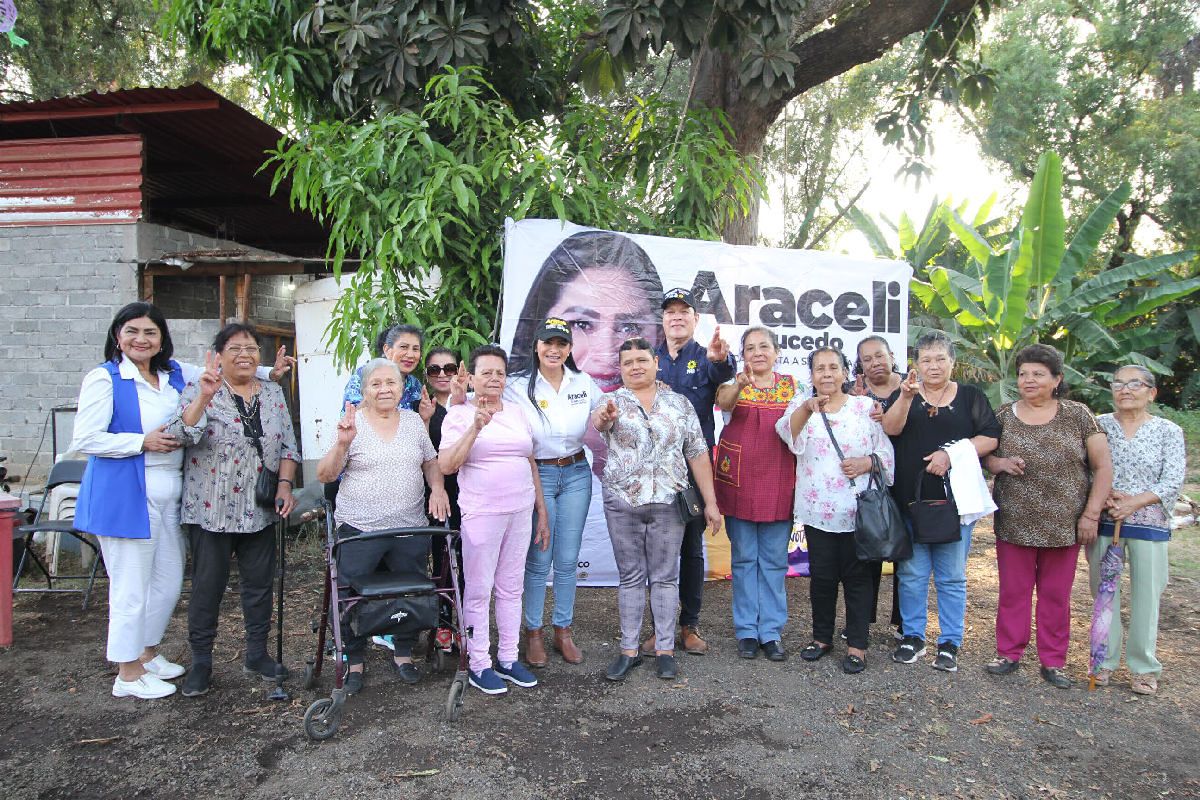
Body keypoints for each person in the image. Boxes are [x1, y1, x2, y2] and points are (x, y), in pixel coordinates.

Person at [71, 302, 292, 700]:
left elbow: (239, 373)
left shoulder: (172, 373)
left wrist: (268, 373)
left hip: (185, 497)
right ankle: (132, 670)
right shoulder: (106, 379)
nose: (141, 339)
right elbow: (88, 438)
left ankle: (148, 653)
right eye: (132, 331)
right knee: (136, 587)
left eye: (150, 332)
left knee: (168, 582)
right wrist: (141, 441)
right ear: (117, 335)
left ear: (162, 340)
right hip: (138, 493)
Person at [176, 322, 302, 698]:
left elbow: (288, 448)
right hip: (211, 510)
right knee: (207, 588)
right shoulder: (200, 390)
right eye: (234, 348)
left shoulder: (274, 393)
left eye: (250, 348)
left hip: (259, 509)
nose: (244, 355)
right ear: (218, 356)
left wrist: (284, 486)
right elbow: (182, 433)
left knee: (259, 586)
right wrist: (203, 396)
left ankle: (257, 654)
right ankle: (201, 662)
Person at [315, 359, 451, 694]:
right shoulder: (352, 423)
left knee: (408, 591)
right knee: (350, 595)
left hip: (409, 525)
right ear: (364, 392)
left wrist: (437, 488)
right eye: (375, 384)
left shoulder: (412, 422)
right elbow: (325, 475)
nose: (384, 389)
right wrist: (343, 443)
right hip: (361, 527)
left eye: (390, 382)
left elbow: (430, 461)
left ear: (401, 387)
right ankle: (354, 657)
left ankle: (404, 653)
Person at [593, 337, 722, 682]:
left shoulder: (679, 404)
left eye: (642, 360)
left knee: (665, 577)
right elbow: (599, 424)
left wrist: (710, 502)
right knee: (631, 576)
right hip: (623, 501)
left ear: (656, 363)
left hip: (669, 502)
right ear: (620, 369)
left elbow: (696, 452)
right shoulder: (611, 402)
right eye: (627, 362)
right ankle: (629, 650)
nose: (635, 366)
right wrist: (604, 418)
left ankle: (664, 650)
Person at [983, 344, 1112, 689]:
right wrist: (999, 463)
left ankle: (1053, 661)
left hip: (1065, 525)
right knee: (1014, 591)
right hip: (1014, 521)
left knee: (1056, 594)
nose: (1029, 380)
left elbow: (1102, 467)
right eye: (1023, 373)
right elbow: (985, 458)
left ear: (1057, 379)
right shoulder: (1003, 415)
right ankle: (1008, 653)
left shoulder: (1078, 415)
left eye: (1038, 374)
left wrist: (1091, 514)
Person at [882, 330, 1000, 673]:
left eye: (940, 359)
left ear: (952, 362)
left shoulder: (970, 397)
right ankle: (913, 636)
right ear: (915, 365)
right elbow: (890, 429)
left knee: (951, 576)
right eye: (926, 360)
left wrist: (951, 454)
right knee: (913, 573)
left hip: (955, 503)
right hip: (911, 501)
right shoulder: (905, 393)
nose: (933, 366)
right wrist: (905, 397)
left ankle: (950, 642)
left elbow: (990, 437)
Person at [439, 345, 550, 696]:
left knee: (511, 587)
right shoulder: (458, 414)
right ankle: (479, 663)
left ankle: (506, 658)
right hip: (482, 513)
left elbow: (530, 461)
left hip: (520, 510)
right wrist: (475, 427)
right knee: (478, 589)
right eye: (486, 372)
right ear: (470, 377)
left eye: (499, 372)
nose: (493, 378)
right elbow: (447, 466)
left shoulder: (517, 412)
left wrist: (541, 511)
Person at [776, 347, 894, 674]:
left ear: (844, 372)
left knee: (858, 580)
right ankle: (821, 637)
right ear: (811, 376)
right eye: (819, 369)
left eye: (833, 368)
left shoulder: (865, 408)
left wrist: (866, 462)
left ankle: (858, 644)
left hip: (858, 513)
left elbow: (886, 455)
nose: (826, 374)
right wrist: (807, 408)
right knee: (823, 579)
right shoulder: (801, 408)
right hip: (817, 513)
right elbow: (786, 433)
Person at [507, 318, 604, 667]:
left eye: (561, 344)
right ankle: (532, 632)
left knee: (567, 558)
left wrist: (607, 415)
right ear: (536, 346)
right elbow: (484, 403)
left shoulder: (583, 381)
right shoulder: (516, 386)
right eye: (548, 343)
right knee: (539, 558)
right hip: (539, 475)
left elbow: (605, 414)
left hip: (577, 471)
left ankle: (562, 630)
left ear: (569, 349)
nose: (554, 349)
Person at [648, 287, 735, 656]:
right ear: (663, 319)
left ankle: (689, 626)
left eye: (685, 311)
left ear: (695, 320)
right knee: (657, 552)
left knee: (691, 550)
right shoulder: (648, 358)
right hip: (654, 471)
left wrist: (722, 362)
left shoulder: (706, 355)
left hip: (694, 471)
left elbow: (724, 372)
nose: (677, 317)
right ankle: (659, 627)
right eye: (671, 312)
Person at [1088, 366, 1185, 696]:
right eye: (1118, 383)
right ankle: (1102, 662)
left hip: (1150, 523)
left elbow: (1172, 480)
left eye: (1134, 384)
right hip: (1106, 518)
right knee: (1103, 594)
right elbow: (1085, 467)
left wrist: (1134, 503)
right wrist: (1108, 496)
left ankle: (1144, 667)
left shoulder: (1167, 431)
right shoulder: (1098, 425)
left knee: (1147, 596)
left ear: (1151, 392)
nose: (1125, 389)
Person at [713, 327, 797, 661]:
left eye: (764, 347)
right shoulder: (733, 383)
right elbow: (723, 403)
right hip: (739, 482)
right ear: (743, 355)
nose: (758, 352)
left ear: (776, 352)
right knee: (745, 559)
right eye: (750, 348)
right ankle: (747, 630)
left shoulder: (794, 386)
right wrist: (740, 386)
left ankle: (771, 632)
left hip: (780, 481)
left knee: (775, 561)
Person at [512, 230, 664, 395]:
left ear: (660, 333)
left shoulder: (678, 409)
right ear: (537, 327)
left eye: (629, 327)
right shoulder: (509, 407)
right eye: (581, 324)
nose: (606, 357)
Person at [852, 335, 903, 637]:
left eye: (879, 356)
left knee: (904, 555)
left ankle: (902, 622)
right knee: (868, 551)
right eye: (867, 359)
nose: (875, 363)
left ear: (892, 356)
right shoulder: (855, 394)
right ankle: (863, 621)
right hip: (867, 483)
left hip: (907, 481)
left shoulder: (912, 389)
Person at [342, 323, 436, 421]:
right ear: (387, 349)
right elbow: (349, 419)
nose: (410, 354)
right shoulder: (365, 374)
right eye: (404, 347)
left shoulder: (414, 384)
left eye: (415, 349)